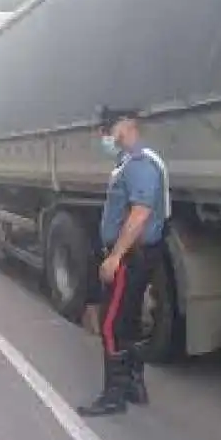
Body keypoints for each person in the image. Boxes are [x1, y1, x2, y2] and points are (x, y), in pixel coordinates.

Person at [78, 107, 170, 417]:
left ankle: (113, 396)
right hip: (135, 255)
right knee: (127, 321)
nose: (104, 135)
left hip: (130, 258)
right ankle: (134, 384)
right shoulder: (130, 162)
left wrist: (115, 256)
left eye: (109, 128)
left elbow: (140, 213)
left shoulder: (140, 165)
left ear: (128, 126)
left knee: (111, 325)